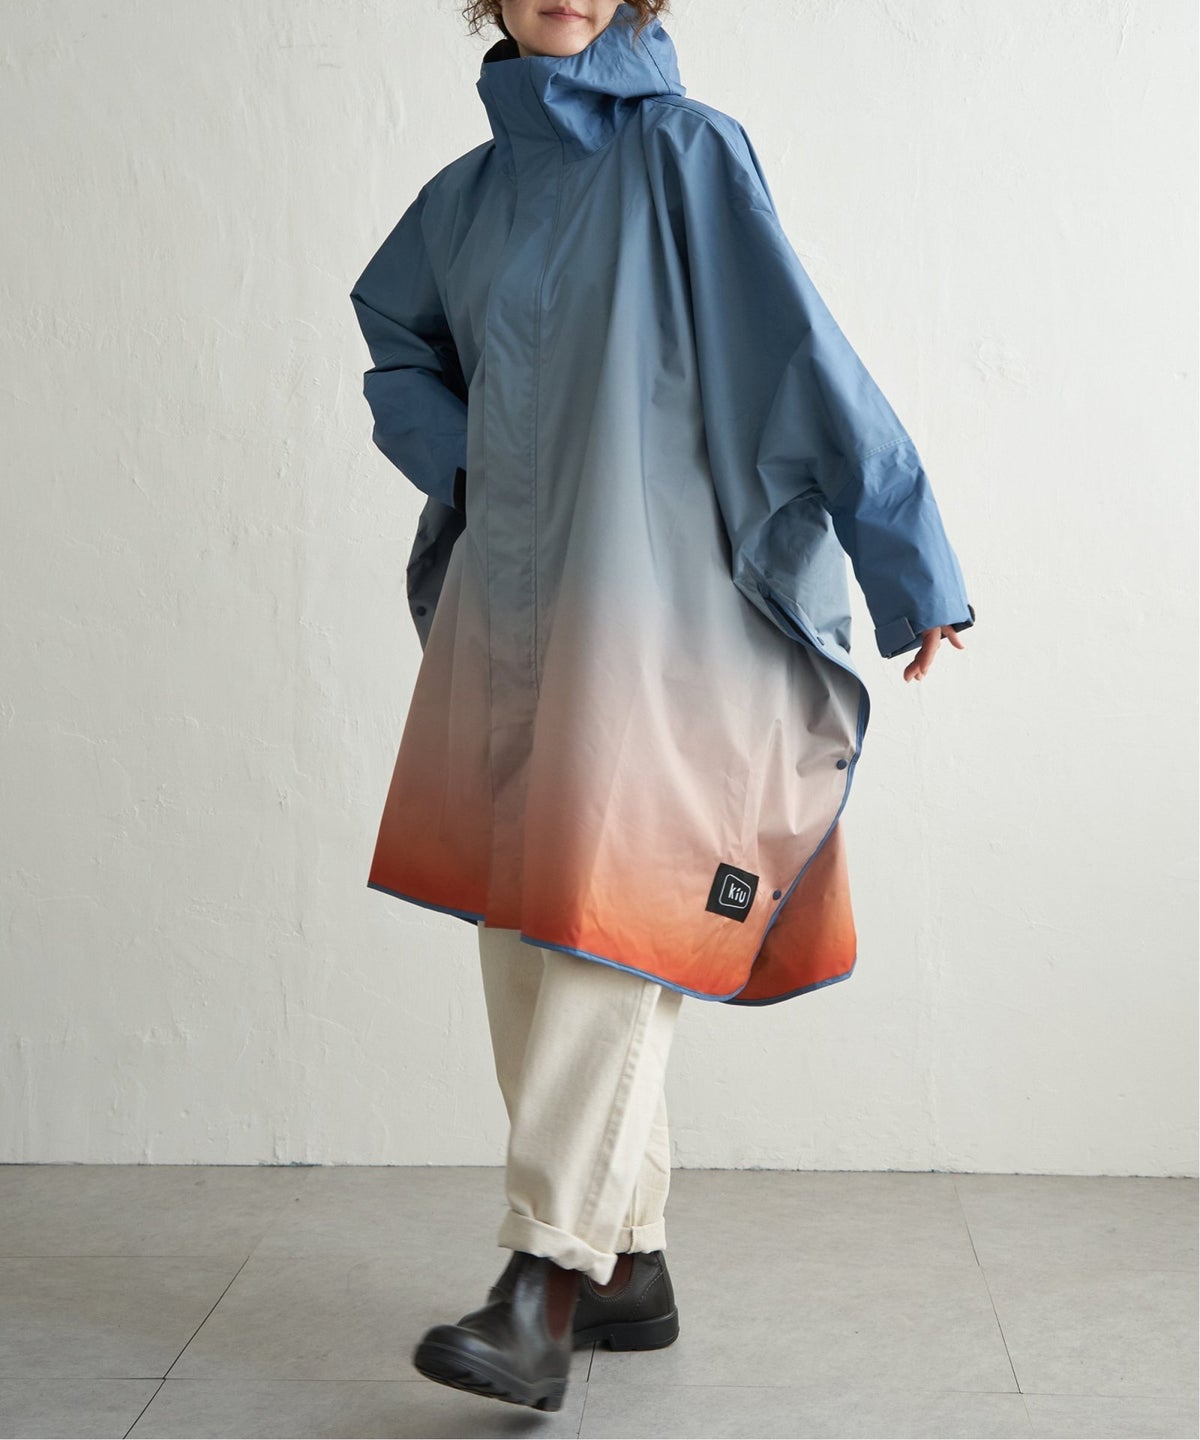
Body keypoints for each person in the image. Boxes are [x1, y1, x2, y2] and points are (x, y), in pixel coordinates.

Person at [349, 0, 975, 1414]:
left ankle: (540, 1283)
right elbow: (395, 344)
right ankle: (627, 1263)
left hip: (666, 619)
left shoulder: (687, 153)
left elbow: (801, 353)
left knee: (609, 924)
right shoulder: (464, 200)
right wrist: (471, 466)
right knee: (521, 934)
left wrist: (909, 555)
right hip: (513, 613)